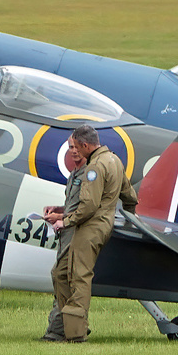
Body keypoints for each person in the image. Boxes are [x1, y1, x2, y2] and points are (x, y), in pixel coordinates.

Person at [39, 125, 136, 343]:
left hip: (90, 227)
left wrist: (66, 221)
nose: (74, 152)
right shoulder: (115, 161)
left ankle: (76, 335)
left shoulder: (94, 168)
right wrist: (131, 219)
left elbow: (89, 206)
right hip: (99, 226)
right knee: (60, 274)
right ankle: (69, 325)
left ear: (85, 145)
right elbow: (130, 196)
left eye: (76, 147)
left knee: (79, 278)